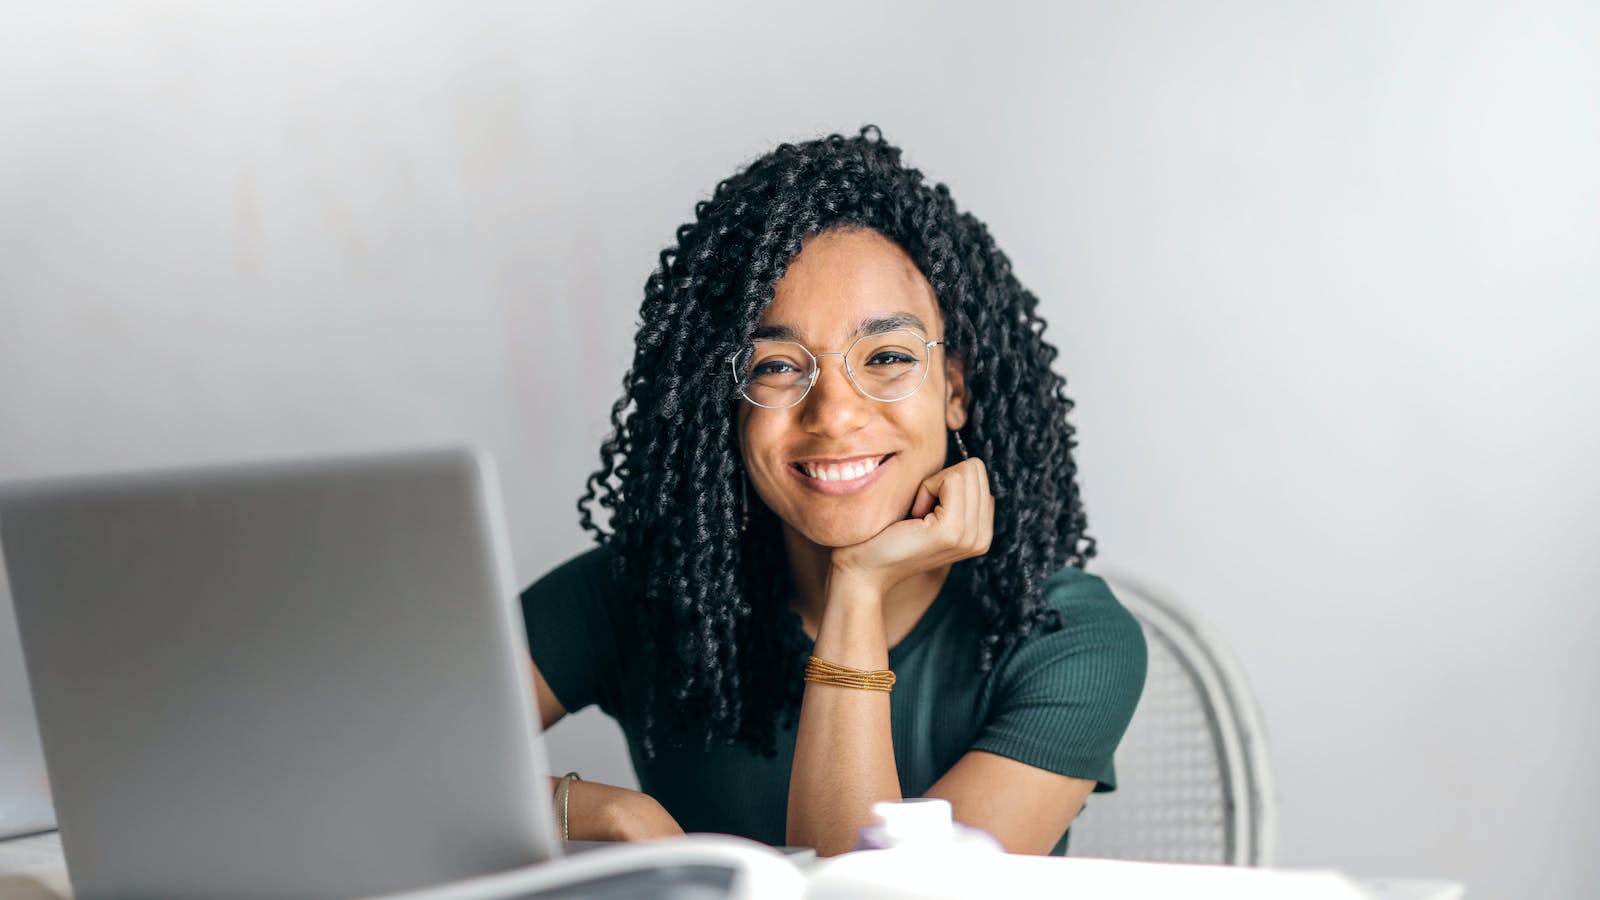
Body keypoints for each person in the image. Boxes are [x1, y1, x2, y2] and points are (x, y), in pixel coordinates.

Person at [521, 126, 1147, 857]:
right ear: (725, 402)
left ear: (955, 389)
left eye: (885, 356)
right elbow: (374, 760)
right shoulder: (642, 592)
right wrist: (605, 814)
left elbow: (870, 896)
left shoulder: (1063, 637)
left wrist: (858, 586)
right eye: (777, 366)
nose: (836, 413)